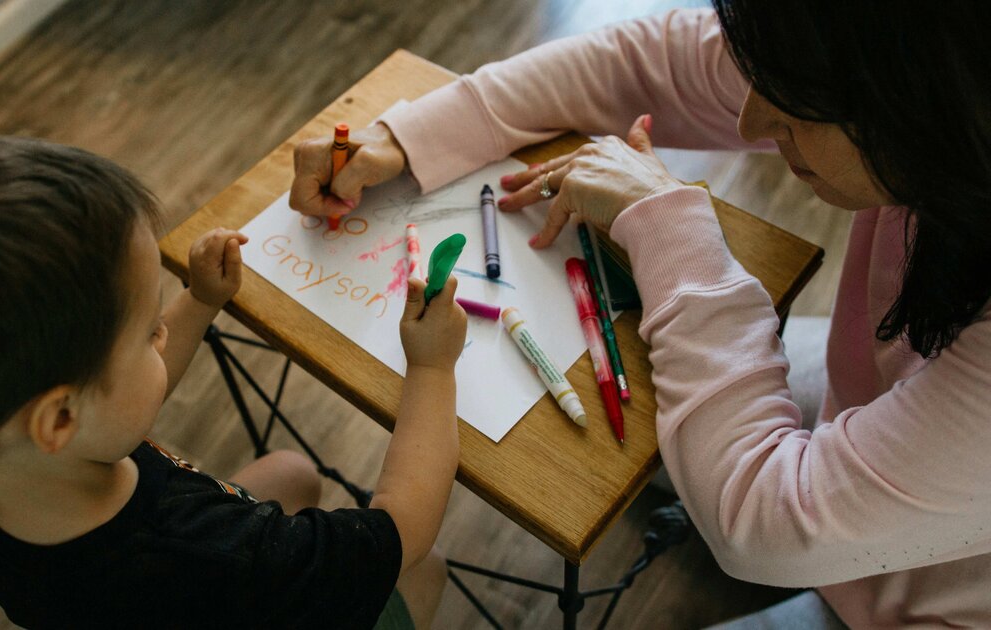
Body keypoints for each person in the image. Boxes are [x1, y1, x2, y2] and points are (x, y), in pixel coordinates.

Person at [289, 1, 991, 627]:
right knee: (652, 444)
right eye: (762, 77)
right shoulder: (921, 67)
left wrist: (670, 226)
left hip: (936, 601)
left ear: (928, 100)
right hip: (879, 401)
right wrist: (407, 136)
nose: (749, 120)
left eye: (793, 102)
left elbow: (761, 523)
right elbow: (648, 61)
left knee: (688, 467)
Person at [0, 136, 468, 629]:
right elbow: (402, 527)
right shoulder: (213, 554)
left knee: (292, 471)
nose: (162, 335)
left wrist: (198, 301)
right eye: (151, 330)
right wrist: (433, 367)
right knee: (428, 567)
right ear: (59, 419)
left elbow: (111, 405)